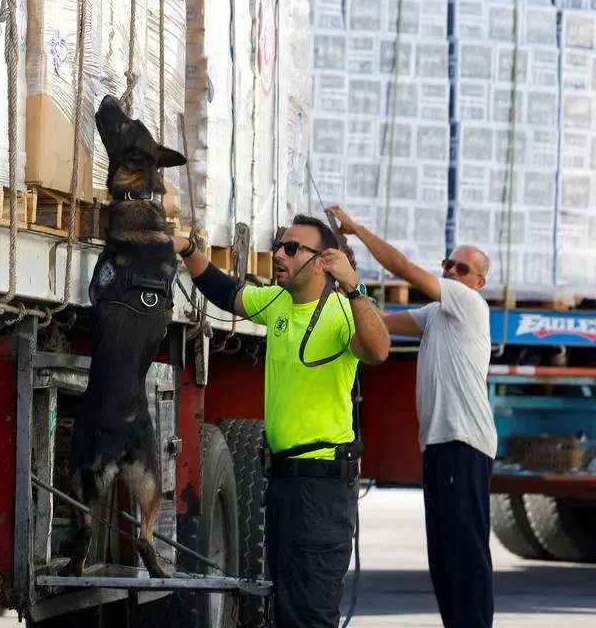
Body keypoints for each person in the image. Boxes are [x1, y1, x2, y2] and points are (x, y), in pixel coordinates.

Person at [172, 214, 390, 628]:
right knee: (283, 609)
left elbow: (378, 350)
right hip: (284, 483)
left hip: (321, 488)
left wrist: (355, 287)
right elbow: (227, 293)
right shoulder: (277, 303)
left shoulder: (343, 312)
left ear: (323, 260)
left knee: (309, 614)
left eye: (292, 249)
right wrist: (187, 250)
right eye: (278, 245)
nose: (279, 255)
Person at [324, 205, 497, 628]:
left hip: (463, 442)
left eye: (462, 268)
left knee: (464, 551)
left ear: (478, 281)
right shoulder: (437, 315)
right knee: (442, 553)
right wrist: (345, 293)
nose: (453, 272)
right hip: (440, 445)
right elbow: (380, 324)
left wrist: (358, 230)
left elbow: (402, 267)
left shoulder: (468, 303)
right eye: (448, 265)